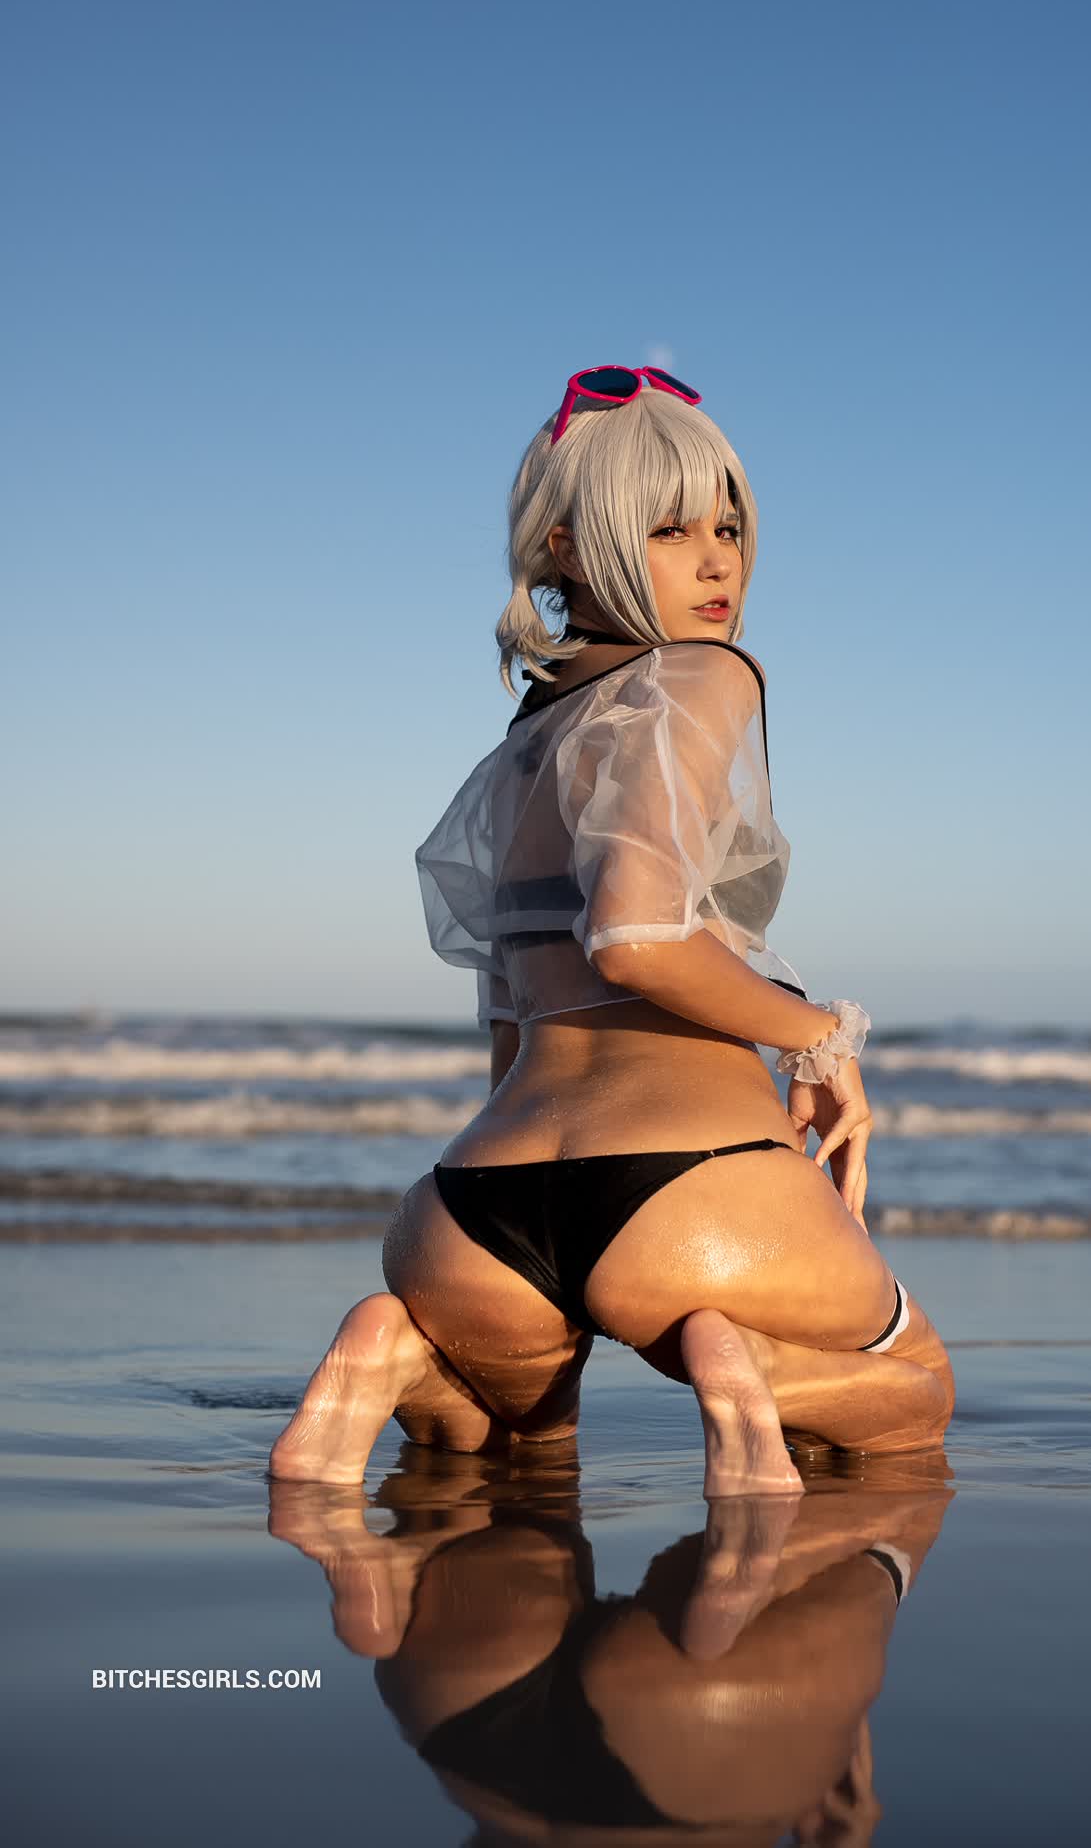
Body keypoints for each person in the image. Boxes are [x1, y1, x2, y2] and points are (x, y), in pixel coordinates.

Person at [269, 363, 955, 1497]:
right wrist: (820, 1037)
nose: (718, 561)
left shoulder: (520, 748)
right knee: (914, 1389)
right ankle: (744, 1362)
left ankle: (394, 1347)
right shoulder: (700, 678)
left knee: (508, 1454)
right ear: (565, 550)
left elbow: (508, 1018)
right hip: (692, 1185)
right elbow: (636, 936)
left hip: (473, 1206)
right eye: (667, 530)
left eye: (727, 525)